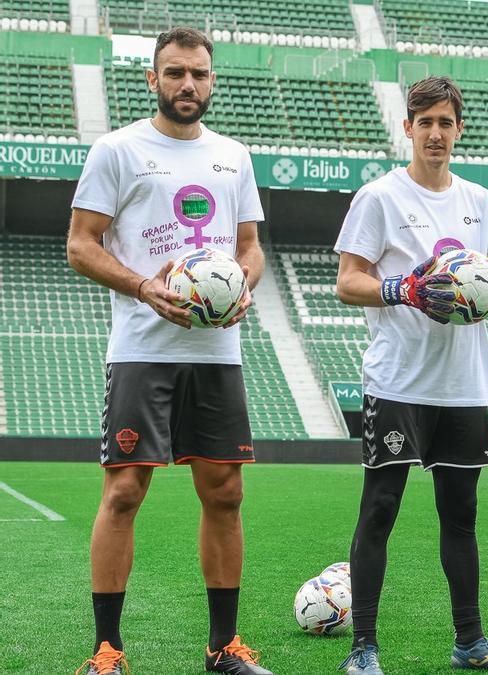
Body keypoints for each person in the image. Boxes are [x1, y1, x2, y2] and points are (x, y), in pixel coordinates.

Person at [67, 27, 271, 675]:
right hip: (141, 349)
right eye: (176, 73)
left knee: (226, 492)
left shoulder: (233, 157)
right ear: (153, 79)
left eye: (200, 74)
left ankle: (223, 648)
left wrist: (244, 287)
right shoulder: (118, 150)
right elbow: (81, 243)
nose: (189, 84)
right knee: (125, 490)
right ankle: (107, 650)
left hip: (217, 350)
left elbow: (249, 247)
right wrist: (144, 287)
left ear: (212, 81)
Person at [332, 75, 488, 674]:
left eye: (446, 123)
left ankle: (469, 643)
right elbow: (348, 281)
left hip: (463, 383)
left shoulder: (481, 203)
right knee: (380, 509)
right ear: (408, 128)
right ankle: (363, 646)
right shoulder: (379, 198)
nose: (436, 134)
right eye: (426, 123)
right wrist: (404, 288)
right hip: (397, 381)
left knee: (461, 515)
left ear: (458, 129)